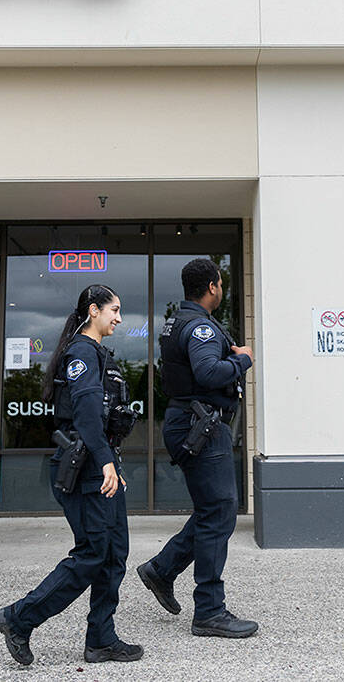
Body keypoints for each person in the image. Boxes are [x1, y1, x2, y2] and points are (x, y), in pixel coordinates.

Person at [0, 284, 142, 666]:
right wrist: (105, 461)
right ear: (93, 310)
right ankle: (18, 619)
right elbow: (86, 414)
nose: (119, 318)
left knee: (113, 554)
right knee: (93, 553)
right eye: (114, 309)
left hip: (99, 464)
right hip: (85, 468)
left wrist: (111, 462)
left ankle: (101, 639)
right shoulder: (80, 352)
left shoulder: (94, 352)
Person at [136, 258, 258, 638]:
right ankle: (208, 610)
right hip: (200, 424)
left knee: (213, 510)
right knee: (220, 511)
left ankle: (162, 569)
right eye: (220, 284)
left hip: (189, 421)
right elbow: (207, 372)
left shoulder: (179, 321)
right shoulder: (200, 326)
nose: (221, 289)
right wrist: (242, 361)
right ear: (212, 285)